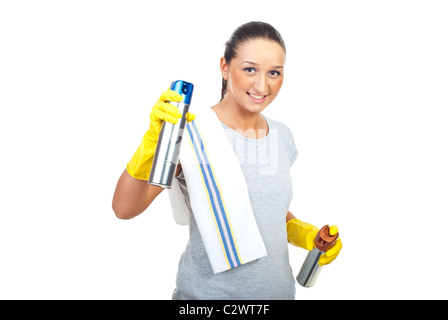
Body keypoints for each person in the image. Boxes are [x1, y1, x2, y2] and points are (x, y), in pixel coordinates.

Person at [112, 21, 342, 300]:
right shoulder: (191, 131)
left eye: (274, 73)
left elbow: (264, 213)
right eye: (249, 69)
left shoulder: (282, 136)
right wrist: (150, 146)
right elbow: (125, 208)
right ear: (224, 67)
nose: (262, 84)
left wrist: (306, 235)